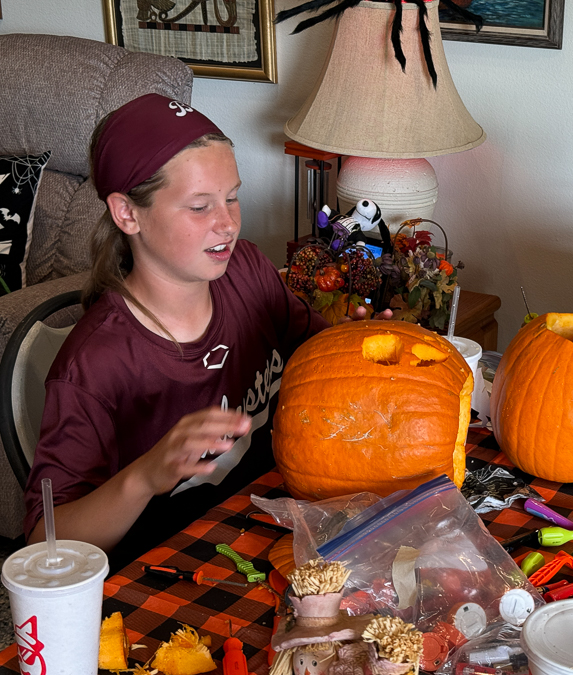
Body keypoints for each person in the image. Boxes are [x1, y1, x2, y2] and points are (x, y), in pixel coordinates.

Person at [21, 94, 376, 571]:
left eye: (232, 196)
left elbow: (312, 357)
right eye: (199, 207)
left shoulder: (246, 269)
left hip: (272, 526)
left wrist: (355, 351)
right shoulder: (94, 364)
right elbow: (46, 544)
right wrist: (145, 475)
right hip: (168, 573)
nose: (227, 223)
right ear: (127, 214)